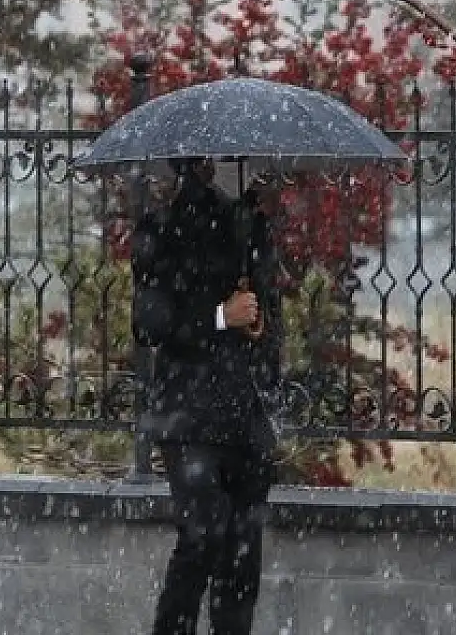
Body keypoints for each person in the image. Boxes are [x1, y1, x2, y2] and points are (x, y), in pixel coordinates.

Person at [130, 157, 281, 635]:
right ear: (206, 166)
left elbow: (269, 309)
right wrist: (219, 315)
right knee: (203, 534)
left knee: (242, 553)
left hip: (244, 416)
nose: (254, 173)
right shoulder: (164, 228)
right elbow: (150, 325)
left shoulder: (254, 229)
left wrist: (260, 329)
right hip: (188, 414)